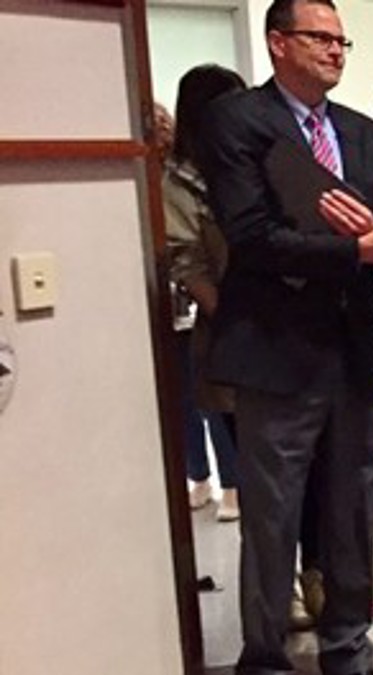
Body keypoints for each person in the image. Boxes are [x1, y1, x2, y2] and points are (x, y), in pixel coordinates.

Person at [198, 0, 373, 675]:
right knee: (271, 521)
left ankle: (346, 654)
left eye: (342, 40)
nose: (337, 50)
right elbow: (252, 236)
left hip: (356, 355)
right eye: (321, 37)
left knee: (353, 508)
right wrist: (355, 248)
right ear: (279, 43)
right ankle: (264, 674)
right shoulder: (238, 122)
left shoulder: (365, 137)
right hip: (277, 353)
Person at [162, 64, 246, 524]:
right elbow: (186, 262)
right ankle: (279, 588)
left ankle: (312, 578)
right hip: (229, 335)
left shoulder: (255, 158)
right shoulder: (179, 179)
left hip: (287, 334)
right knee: (256, 476)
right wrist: (235, 318)